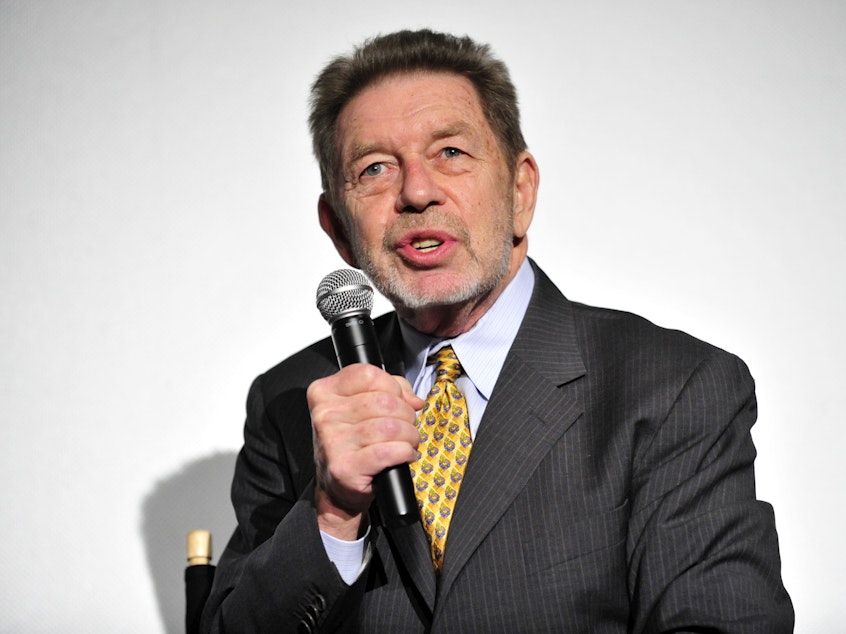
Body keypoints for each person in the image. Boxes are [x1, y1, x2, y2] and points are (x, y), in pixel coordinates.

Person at [201, 29, 793, 632]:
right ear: (339, 230)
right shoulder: (288, 401)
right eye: (375, 168)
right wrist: (332, 514)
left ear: (519, 190)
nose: (417, 191)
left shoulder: (673, 386)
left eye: (451, 153)